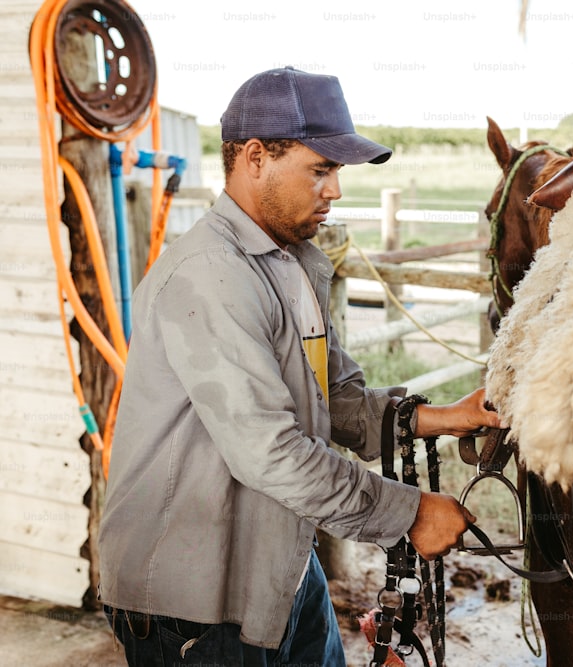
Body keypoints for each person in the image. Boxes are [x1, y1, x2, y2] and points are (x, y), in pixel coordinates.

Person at [98, 66, 503, 666]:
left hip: (281, 558)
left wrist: (441, 418)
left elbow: (334, 400)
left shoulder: (289, 265)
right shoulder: (212, 275)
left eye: (336, 171)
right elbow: (270, 451)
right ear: (255, 157)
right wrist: (408, 512)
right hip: (193, 600)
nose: (336, 190)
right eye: (321, 169)